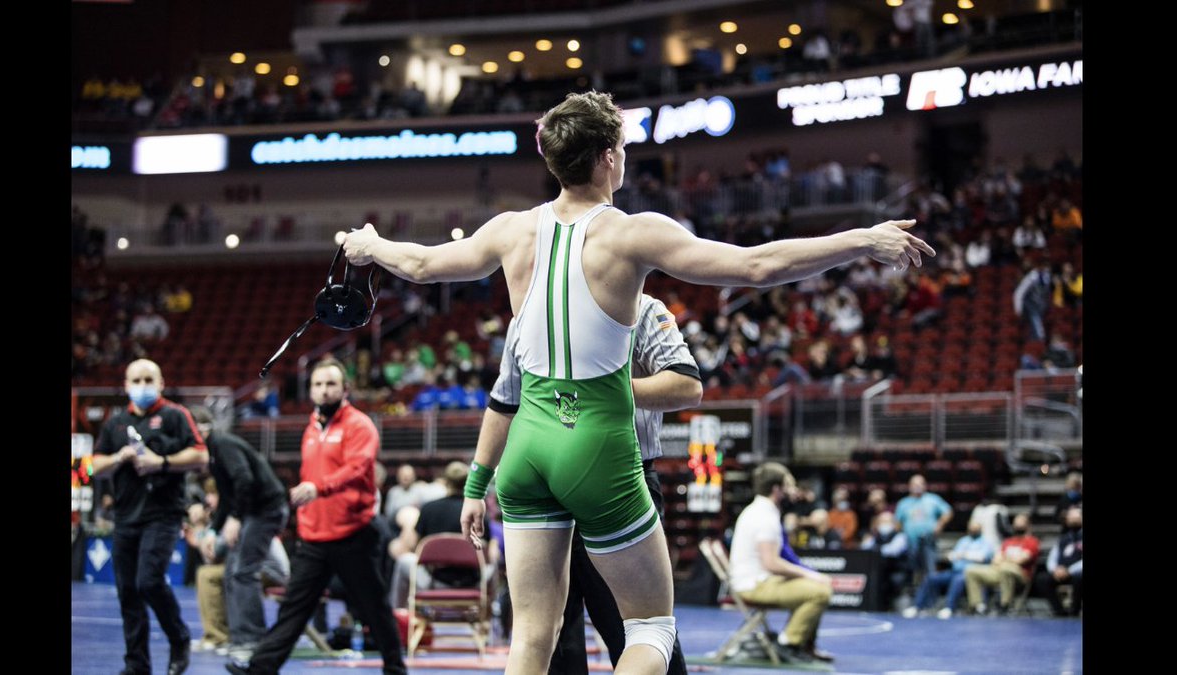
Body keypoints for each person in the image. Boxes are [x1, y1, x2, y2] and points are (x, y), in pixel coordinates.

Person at [343, 90, 932, 674]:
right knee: (650, 626)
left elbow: (420, 265)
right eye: (622, 149)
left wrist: (370, 246)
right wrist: (861, 239)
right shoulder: (631, 233)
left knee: (532, 637)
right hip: (594, 442)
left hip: (526, 447)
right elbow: (756, 266)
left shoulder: (511, 230)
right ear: (607, 157)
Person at [485, 293, 702, 674]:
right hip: (548, 482)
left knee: (632, 626)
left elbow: (687, 385)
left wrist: (605, 389)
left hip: (619, 479)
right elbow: (504, 402)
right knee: (555, 641)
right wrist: (475, 485)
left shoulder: (642, 308)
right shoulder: (531, 311)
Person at [225, 357, 406, 675]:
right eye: (318, 384)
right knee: (294, 608)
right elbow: (311, 474)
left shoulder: (359, 425)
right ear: (310, 390)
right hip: (315, 537)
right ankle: (260, 669)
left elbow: (357, 467)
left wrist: (318, 488)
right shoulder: (311, 427)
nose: (324, 390)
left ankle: (395, 669)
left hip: (354, 533)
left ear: (345, 388)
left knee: (373, 607)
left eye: (331, 384)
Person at [90, 359, 209, 675]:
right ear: (126, 385)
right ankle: (136, 664)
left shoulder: (175, 415)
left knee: (149, 581)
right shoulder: (116, 423)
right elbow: (94, 466)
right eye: (136, 380)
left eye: (148, 379)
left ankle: (179, 638)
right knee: (128, 591)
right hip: (125, 516)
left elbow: (200, 456)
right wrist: (119, 457)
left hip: (163, 514)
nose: (142, 386)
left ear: (161, 383)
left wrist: (162, 462)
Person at [187, 406, 289, 663]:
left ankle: (252, 641)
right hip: (254, 511)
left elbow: (244, 479)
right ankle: (238, 637)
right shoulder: (213, 454)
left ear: (200, 429)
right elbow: (227, 497)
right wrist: (213, 530)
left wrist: (236, 517)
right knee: (232, 572)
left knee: (243, 571)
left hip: (266, 509)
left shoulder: (223, 444)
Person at [729, 462, 833, 665]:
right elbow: (772, 563)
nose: (793, 490)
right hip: (755, 585)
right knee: (820, 592)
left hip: (757, 580)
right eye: (789, 485)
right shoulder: (764, 516)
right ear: (777, 489)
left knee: (818, 586)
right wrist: (809, 574)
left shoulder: (761, 510)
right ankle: (788, 644)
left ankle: (804, 645)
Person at [388, 461, 499, 609]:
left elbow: (411, 545)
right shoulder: (478, 512)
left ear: (445, 483)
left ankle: (399, 614)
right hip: (472, 583)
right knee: (493, 563)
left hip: (434, 581)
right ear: (467, 483)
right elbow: (488, 555)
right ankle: (491, 612)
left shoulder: (429, 509)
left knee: (403, 561)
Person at [902, 519, 995, 619]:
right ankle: (917, 607)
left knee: (957, 580)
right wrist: (956, 555)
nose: (973, 530)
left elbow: (982, 558)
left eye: (976, 528)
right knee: (930, 578)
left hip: (970, 573)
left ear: (981, 529)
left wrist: (964, 555)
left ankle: (949, 608)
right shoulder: (964, 541)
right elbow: (952, 555)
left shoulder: (986, 542)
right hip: (954, 571)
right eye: (971, 528)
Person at [893, 474, 952, 581]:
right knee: (912, 571)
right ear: (909, 486)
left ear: (925, 486)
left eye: (920, 484)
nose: (918, 486)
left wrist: (940, 525)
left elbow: (948, 512)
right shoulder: (903, 503)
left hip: (928, 541)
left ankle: (930, 589)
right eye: (915, 484)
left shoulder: (933, 499)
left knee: (930, 569)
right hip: (910, 543)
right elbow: (897, 522)